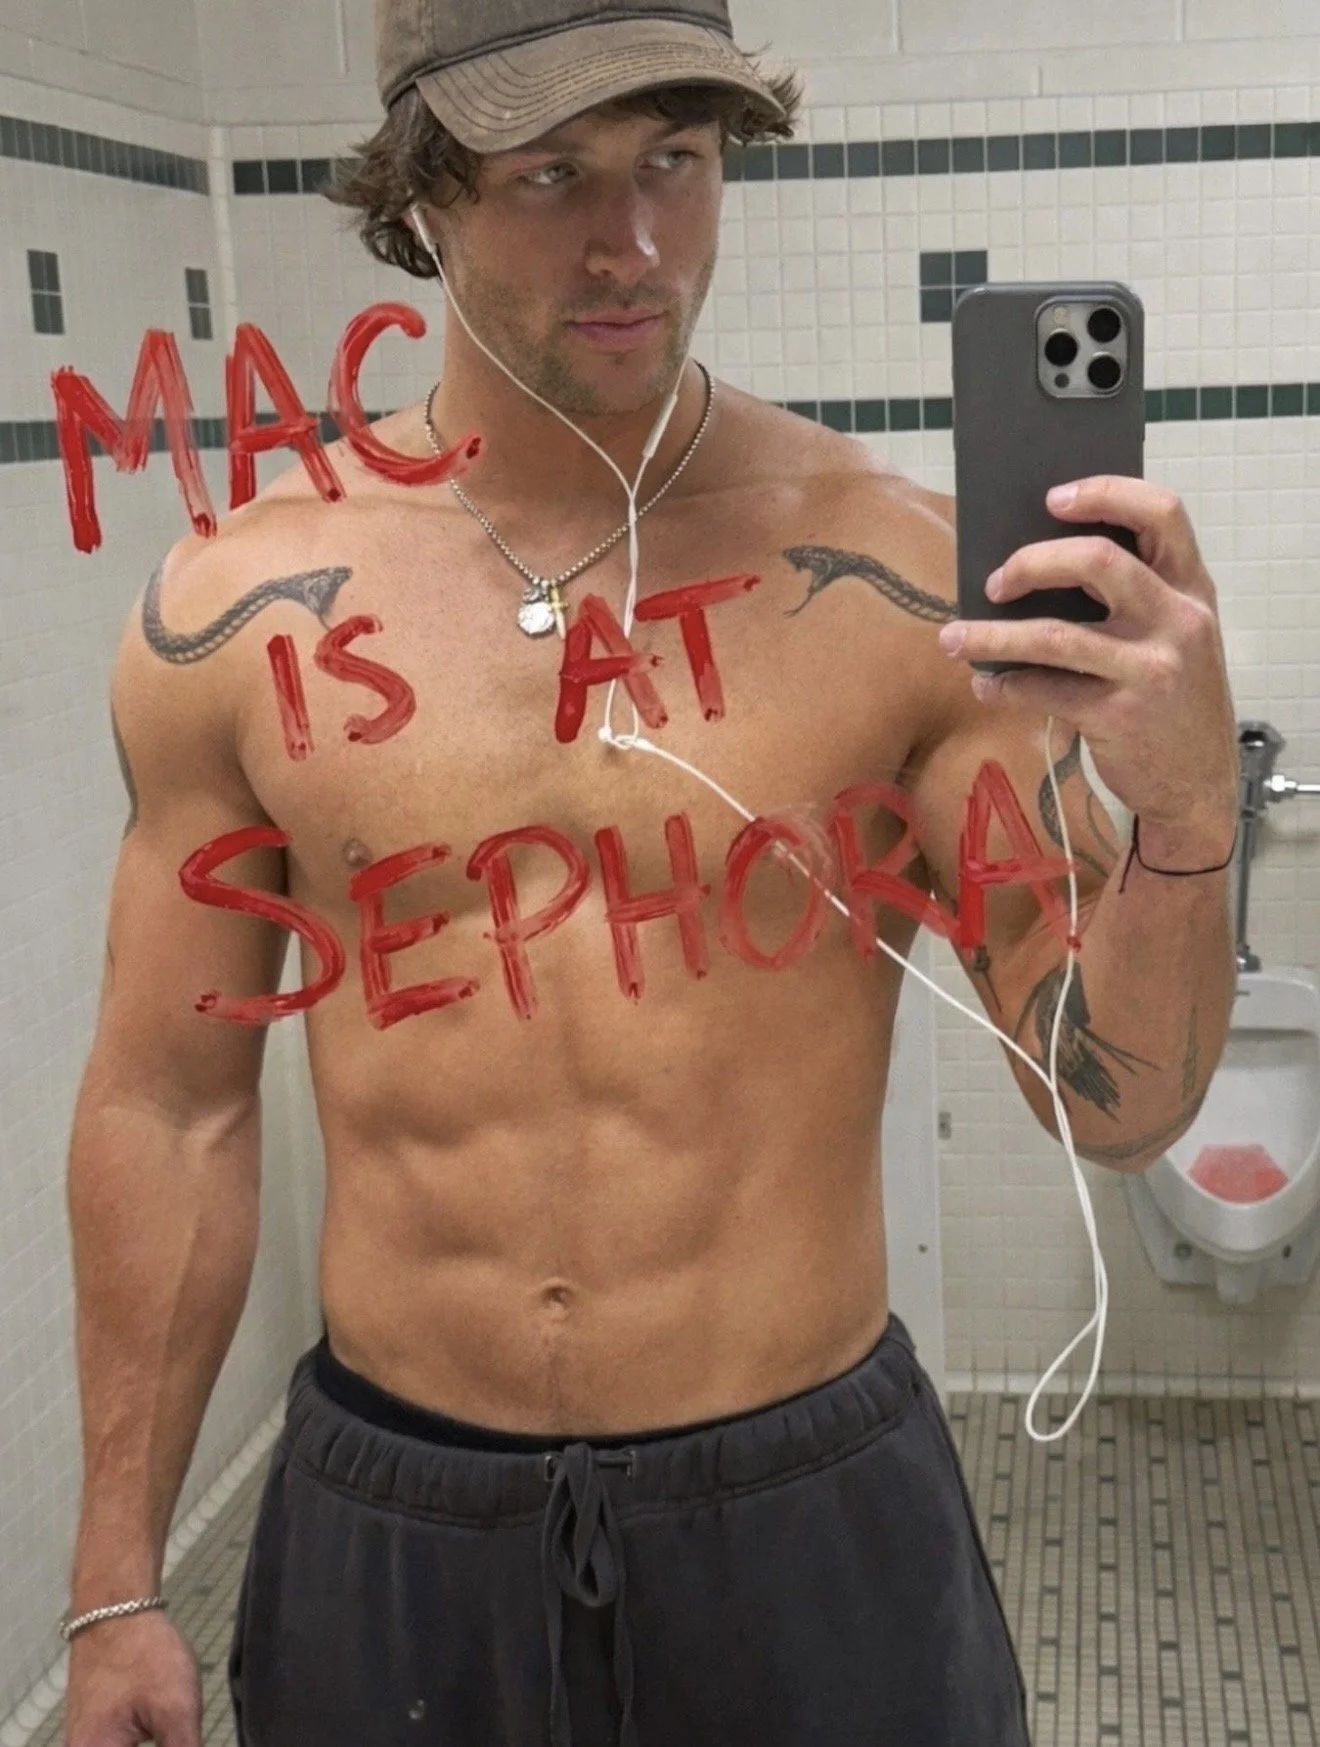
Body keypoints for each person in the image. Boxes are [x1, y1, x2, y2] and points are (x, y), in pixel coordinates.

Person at [60, 1, 1240, 1743]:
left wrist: (1189, 814)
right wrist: (114, 1583)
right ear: (421, 197)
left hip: (804, 1505)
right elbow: (171, 1108)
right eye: (551, 176)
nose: (631, 245)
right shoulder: (243, 610)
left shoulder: (897, 582)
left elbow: (1115, 1105)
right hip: (401, 1515)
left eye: (673, 162)